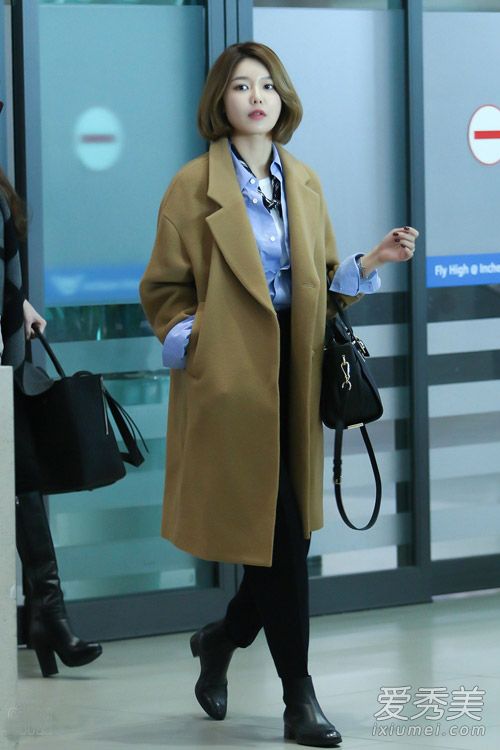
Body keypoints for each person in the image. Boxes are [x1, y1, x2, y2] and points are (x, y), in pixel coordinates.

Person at [140, 43, 418, 747]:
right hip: (232, 382)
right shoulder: (191, 187)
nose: (256, 96)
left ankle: (220, 640)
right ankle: (300, 697)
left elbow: (319, 284)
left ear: (282, 97)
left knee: (284, 539)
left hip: (296, 374)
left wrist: (374, 260)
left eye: (266, 85)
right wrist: (199, 345)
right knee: (277, 539)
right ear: (220, 100)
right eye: (241, 86)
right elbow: (164, 292)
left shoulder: (304, 181)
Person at [0, 101, 103, 678]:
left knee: (24, 482)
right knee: (19, 484)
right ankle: (49, 620)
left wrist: (19, 307)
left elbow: (4, 273)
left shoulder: (0, 193)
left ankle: (50, 616)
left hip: (5, 364)